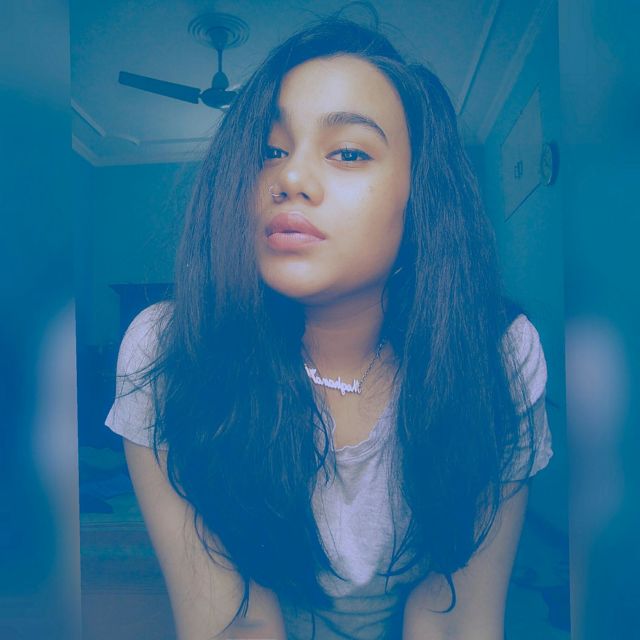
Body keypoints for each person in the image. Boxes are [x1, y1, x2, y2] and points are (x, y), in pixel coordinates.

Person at [105, 15, 553, 640]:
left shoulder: (496, 355)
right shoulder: (170, 350)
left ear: (419, 195)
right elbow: (236, 623)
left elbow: (456, 618)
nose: (289, 177)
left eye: (348, 152)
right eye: (271, 150)